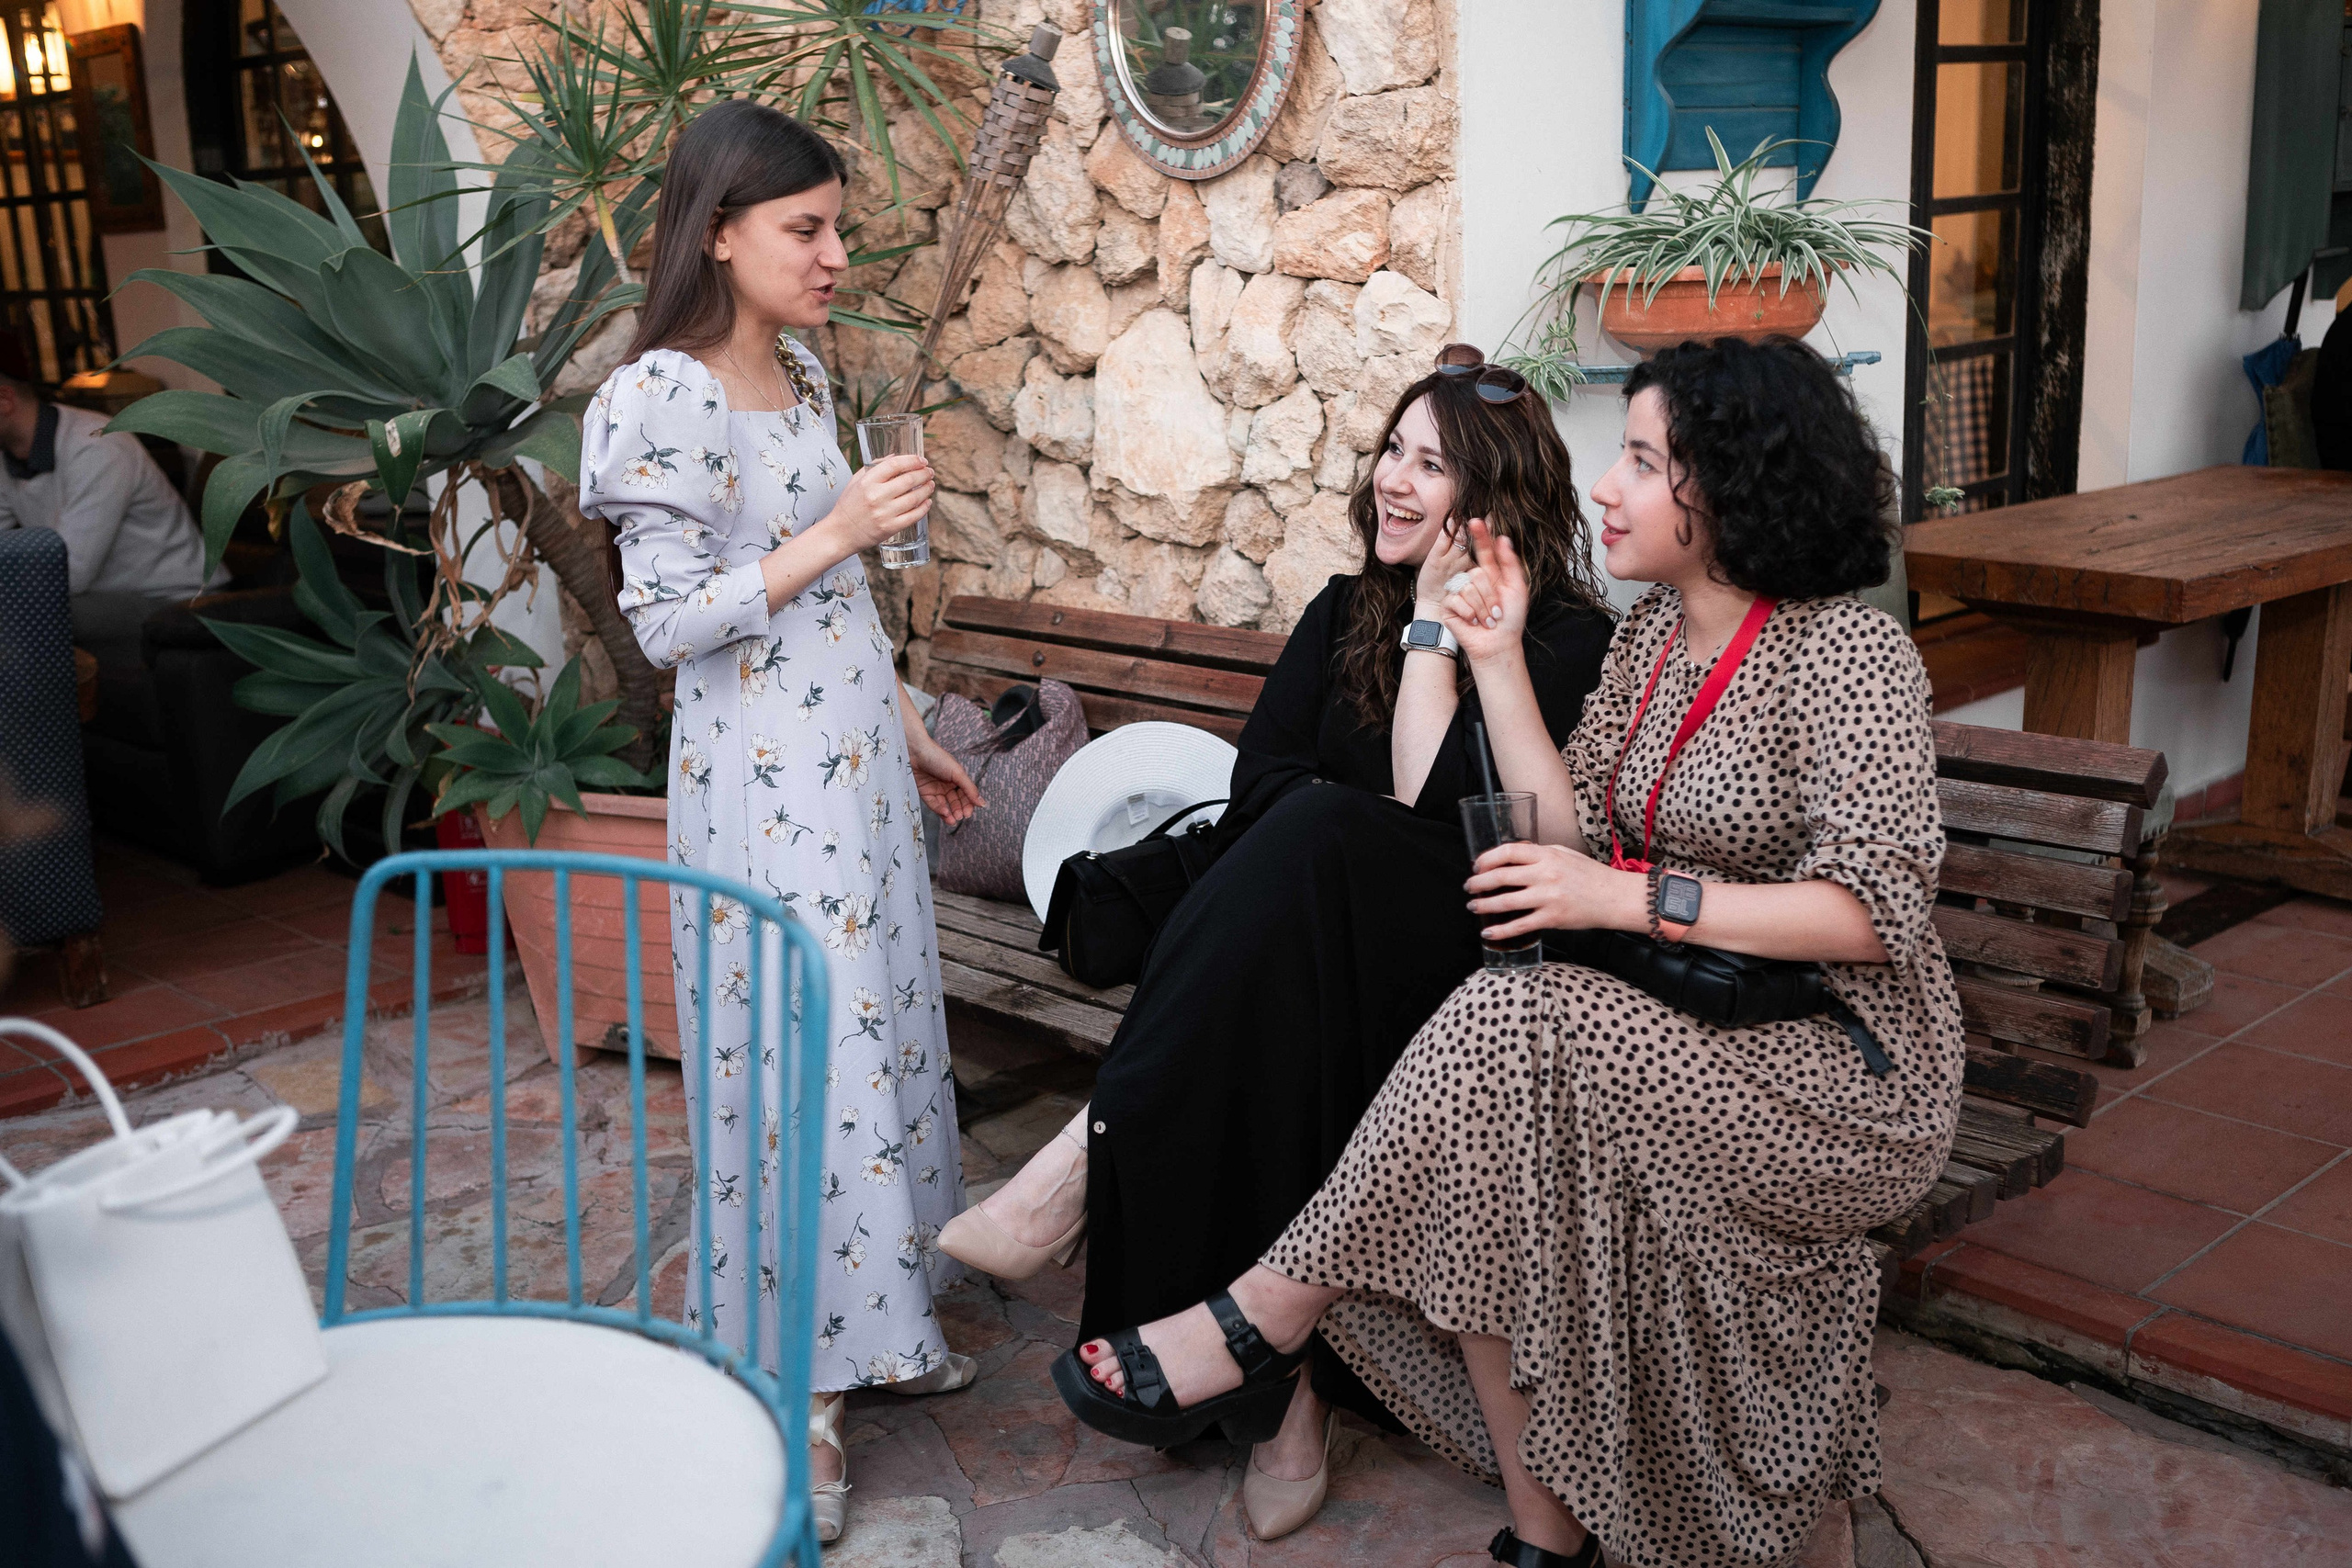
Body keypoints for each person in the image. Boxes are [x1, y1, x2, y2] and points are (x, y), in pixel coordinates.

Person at [1056, 336, 1966, 1568]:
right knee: (1493, 1115)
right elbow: (1559, 834)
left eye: (1638, 459)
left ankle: (1269, 1308)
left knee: (1502, 1021)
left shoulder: (1845, 652)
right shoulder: (1649, 640)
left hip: (1837, 1071)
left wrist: (1634, 899)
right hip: (1679, 1026)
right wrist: (1490, 657)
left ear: (1728, 485)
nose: (1605, 487)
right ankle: (1541, 1533)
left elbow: (1873, 908)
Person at [942, 344, 1616, 1540]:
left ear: (1496, 498)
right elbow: (1258, 781)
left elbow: (1431, 819)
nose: (1393, 480)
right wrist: (1328, 811)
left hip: (1462, 961)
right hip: (1303, 941)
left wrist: (1432, 639)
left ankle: (1086, 1162)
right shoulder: (1341, 609)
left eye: (1432, 466)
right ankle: (1284, 1398)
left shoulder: (1561, 640)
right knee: (1272, 957)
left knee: (1313, 842)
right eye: (1392, 450)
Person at [577, 99, 986, 1546]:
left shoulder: (803, 370)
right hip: (760, 781)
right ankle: (803, 1379)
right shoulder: (659, 395)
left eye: (837, 229)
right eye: (805, 229)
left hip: (852, 766)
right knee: (802, 1047)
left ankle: (887, 1320)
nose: (833, 256)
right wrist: (839, 530)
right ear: (718, 231)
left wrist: (910, 723)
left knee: (881, 1030)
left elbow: (837, 603)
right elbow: (664, 622)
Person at [0, 342, 224, 672]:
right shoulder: (7, 455)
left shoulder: (96, 446)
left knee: (22, 614)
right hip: (102, 593)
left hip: (174, 597)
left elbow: (71, 573)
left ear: (4, 400)